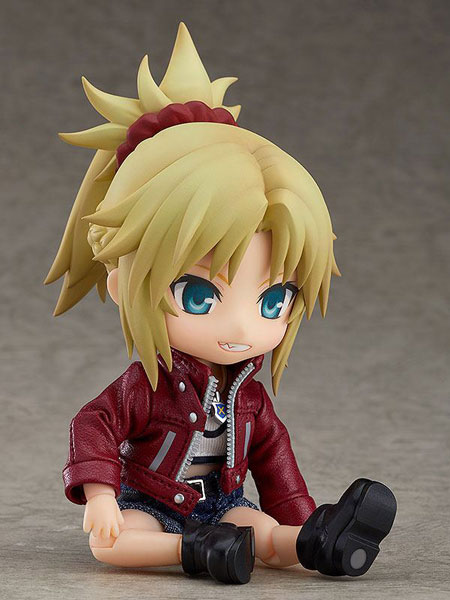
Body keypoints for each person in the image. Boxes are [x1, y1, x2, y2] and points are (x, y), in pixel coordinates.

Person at [46, 22, 396, 584]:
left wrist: (301, 516)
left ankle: (319, 542)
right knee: (115, 545)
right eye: (199, 294)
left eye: (273, 300)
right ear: (121, 286)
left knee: (265, 533)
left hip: (221, 504)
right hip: (150, 501)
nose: (240, 328)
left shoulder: (249, 397)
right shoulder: (147, 385)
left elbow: (275, 459)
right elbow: (95, 424)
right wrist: (102, 495)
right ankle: (194, 551)